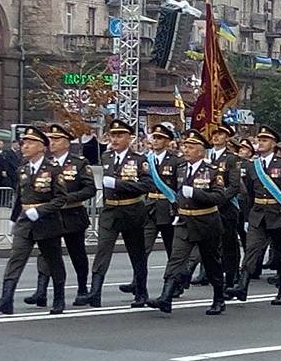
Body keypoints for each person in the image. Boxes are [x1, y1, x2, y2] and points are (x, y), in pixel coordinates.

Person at [0, 127, 67, 315]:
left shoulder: (53, 169)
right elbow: (20, 197)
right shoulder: (23, 169)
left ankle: (59, 299)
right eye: (24, 143)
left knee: (53, 261)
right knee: (16, 258)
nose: (25, 146)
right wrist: (13, 219)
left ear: (41, 147)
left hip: (47, 222)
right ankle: (6, 299)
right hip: (25, 222)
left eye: (30, 143)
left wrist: (39, 211)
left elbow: (61, 199)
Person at [147, 129, 227, 315]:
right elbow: (175, 193)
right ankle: (166, 297)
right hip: (184, 221)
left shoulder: (212, 171)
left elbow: (219, 197)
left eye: (191, 147)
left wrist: (196, 193)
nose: (186, 150)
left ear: (201, 151)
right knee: (176, 259)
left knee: (211, 262)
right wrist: (176, 211)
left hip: (206, 222)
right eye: (185, 147)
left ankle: (219, 298)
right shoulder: (181, 168)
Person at [22, 124, 96, 309]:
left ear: (66, 143)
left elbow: (89, 189)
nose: (52, 143)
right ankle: (41, 291)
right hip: (50, 215)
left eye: (56, 139)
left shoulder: (79, 163)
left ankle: (82, 289)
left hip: (72, 214)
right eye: (50, 139)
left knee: (77, 253)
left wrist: (65, 198)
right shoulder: (44, 163)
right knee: (46, 254)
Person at [82, 119, 152, 308]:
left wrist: (118, 184)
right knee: (102, 251)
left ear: (130, 138)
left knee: (136, 253)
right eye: (113, 135)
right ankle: (95, 292)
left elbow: (146, 185)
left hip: (131, 210)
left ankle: (141, 292)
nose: (115, 139)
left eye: (120, 135)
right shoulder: (106, 157)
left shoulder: (139, 160)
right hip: (110, 210)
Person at [230, 125, 281, 305]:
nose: (260, 143)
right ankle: (242, 287)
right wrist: (247, 218)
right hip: (258, 214)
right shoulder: (252, 166)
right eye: (259, 140)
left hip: (277, 215)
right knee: (251, 249)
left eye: (265, 140)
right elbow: (249, 194)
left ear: (274, 143)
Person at [120, 124, 183, 297]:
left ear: (168, 141)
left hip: (168, 208)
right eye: (154, 137)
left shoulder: (176, 161)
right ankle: (137, 282)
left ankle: (175, 283)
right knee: (142, 248)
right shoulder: (145, 159)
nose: (156, 141)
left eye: (160, 138)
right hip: (150, 208)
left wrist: (178, 208)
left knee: (172, 250)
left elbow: (179, 186)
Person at [208, 123, 242, 296]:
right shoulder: (205, 155)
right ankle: (214, 278)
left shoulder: (231, 159)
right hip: (207, 207)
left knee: (228, 245)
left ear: (227, 138)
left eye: (220, 134)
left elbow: (234, 186)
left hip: (226, 207)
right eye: (214, 133)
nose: (216, 137)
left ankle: (230, 279)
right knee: (211, 245)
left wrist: (218, 200)